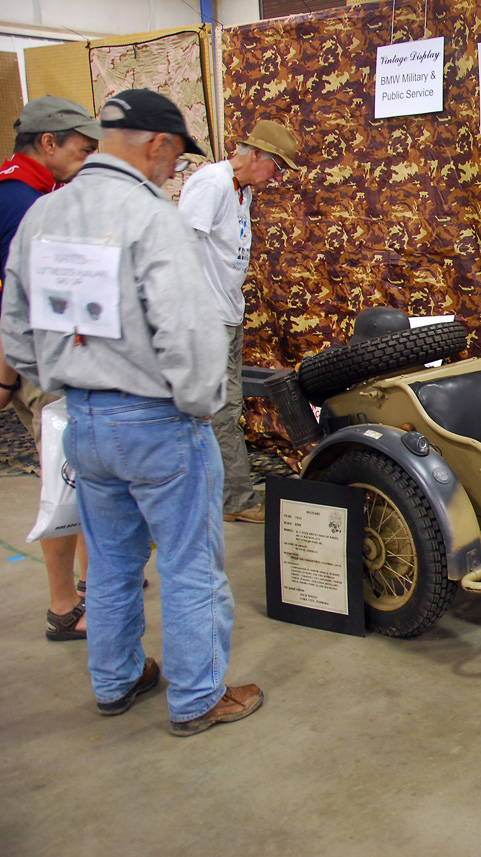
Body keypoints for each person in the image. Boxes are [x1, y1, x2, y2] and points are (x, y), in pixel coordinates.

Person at [1, 89, 263, 736]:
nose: (175, 171)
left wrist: (70, 387)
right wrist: (196, 408)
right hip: (157, 423)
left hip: (82, 422)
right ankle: (198, 695)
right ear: (157, 145)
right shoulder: (154, 219)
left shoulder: (42, 216)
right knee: (188, 562)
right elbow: (188, 332)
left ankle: (116, 680)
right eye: (175, 159)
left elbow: (13, 331)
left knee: (114, 563)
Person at [0, 96, 100, 641]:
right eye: (81, 150)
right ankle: (65, 604)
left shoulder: (33, 193)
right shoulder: (21, 202)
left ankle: (91, 583)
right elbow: (18, 299)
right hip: (40, 362)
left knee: (77, 474)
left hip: (48, 354)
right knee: (64, 481)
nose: (86, 160)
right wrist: (9, 374)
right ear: (48, 144)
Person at [178, 119, 300, 525]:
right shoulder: (212, 184)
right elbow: (184, 247)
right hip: (208, 316)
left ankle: (227, 493)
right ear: (255, 155)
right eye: (276, 166)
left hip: (227, 312)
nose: (277, 176)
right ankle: (235, 499)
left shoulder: (241, 191)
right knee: (223, 409)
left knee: (225, 408)